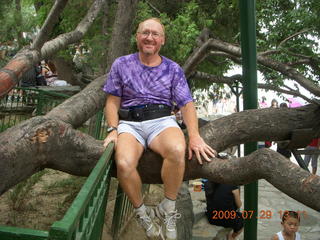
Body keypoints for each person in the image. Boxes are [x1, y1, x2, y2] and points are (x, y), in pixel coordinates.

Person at [102, 17, 216, 239]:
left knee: (176, 149)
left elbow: (186, 104)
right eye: (145, 32)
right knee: (124, 163)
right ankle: (142, 213)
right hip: (130, 123)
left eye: (155, 34)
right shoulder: (121, 64)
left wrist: (194, 136)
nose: (149, 37)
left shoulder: (173, 69)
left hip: (161, 121)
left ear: (162, 40)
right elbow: (112, 101)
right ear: (137, 37)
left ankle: (168, 208)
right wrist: (112, 129)